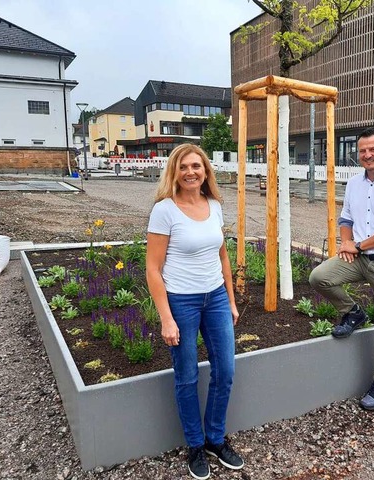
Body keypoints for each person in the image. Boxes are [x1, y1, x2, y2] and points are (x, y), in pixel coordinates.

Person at [146, 144, 244, 479]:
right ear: (174, 171)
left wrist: (230, 300)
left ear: (206, 171)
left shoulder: (214, 205)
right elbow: (153, 269)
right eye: (184, 167)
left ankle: (216, 439)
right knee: (187, 376)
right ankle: (195, 445)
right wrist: (166, 318)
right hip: (181, 302)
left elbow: (223, 257)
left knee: (225, 372)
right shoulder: (164, 210)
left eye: (196, 167)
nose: (191, 172)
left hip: (215, 297)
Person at [309, 126, 374, 411]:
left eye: (373, 149)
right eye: (363, 151)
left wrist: (357, 246)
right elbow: (345, 218)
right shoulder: (355, 184)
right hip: (358, 258)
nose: (367, 155)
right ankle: (353, 312)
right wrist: (346, 242)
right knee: (320, 277)